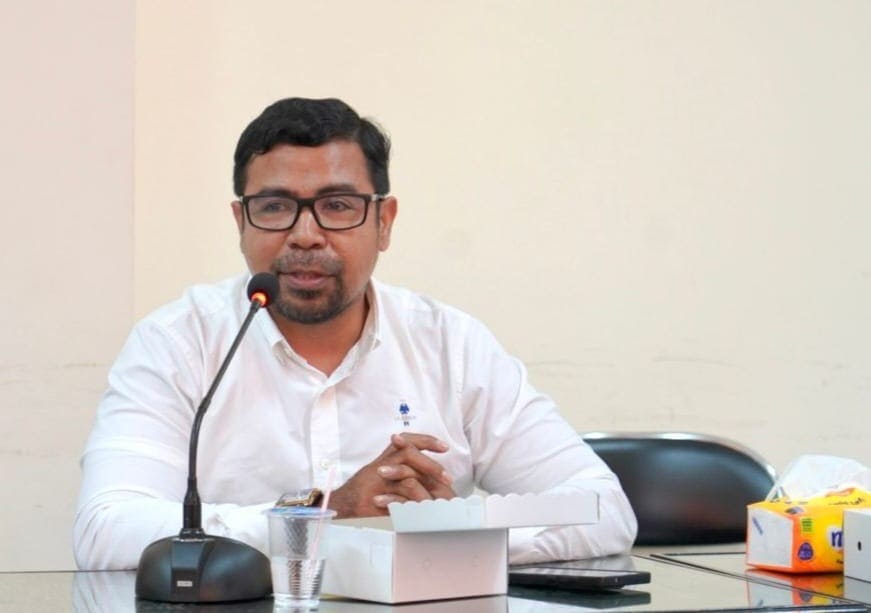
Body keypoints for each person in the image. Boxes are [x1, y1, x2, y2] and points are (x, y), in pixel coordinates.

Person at [73, 97, 636, 570]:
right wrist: (324, 516)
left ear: (383, 223)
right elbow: (107, 530)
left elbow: (604, 509)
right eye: (275, 207)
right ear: (241, 223)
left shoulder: (452, 345)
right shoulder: (179, 343)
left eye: (337, 206)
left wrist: (451, 533)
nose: (305, 235)